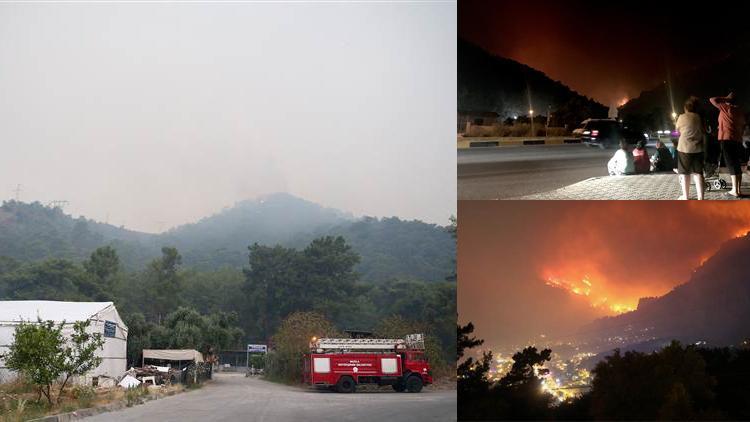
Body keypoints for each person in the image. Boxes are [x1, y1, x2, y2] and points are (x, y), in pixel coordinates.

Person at [710, 92, 746, 196]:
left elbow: (712, 99)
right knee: (736, 164)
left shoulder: (726, 107)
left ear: (729, 100)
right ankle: (738, 190)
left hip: (727, 139)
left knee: (731, 164)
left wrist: (725, 98)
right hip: (737, 140)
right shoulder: (739, 111)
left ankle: (735, 190)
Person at [674, 96, 705, 200]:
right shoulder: (699, 117)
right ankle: (701, 197)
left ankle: (686, 197)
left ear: (685, 108)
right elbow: (703, 131)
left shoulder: (681, 117)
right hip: (698, 148)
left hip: (684, 148)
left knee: (685, 173)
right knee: (698, 173)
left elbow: (677, 131)